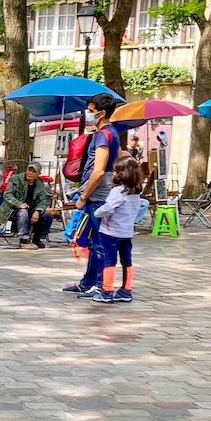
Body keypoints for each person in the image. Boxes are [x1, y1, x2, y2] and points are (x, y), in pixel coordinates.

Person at [63, 93, 121, 296]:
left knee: (99, 241)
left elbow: (99, 170)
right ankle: (89, 280)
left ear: (101, 113)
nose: (88, 114)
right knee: (92, 239)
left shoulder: (104, 135)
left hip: (98, 194)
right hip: (100, 191)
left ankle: (99, 283)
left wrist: (84, 197)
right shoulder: (109, 133)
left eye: (90, 111)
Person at [91, 155, 141, 303]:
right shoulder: (135, 192)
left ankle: (107, 291)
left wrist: (97, 213)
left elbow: (109, 207)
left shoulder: (117, 191)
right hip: (127, 232)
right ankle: (126, 289)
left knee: (109, 260)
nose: (113, 174)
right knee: (127, 260)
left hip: (110, 232)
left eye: (115, 171)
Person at [0, 160, 53, 248]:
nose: (30, 173)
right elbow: (7, 194)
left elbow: (42, 200)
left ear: (38, 174)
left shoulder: (39, 183)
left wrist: (37, 211)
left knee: (48, 215)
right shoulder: (16, 179)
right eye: (29, 170)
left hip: (30, 209)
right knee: (23, 211)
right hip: (12, 210)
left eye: (33, 171)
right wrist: (19, 204)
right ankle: (23, 240)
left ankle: (37, 239)